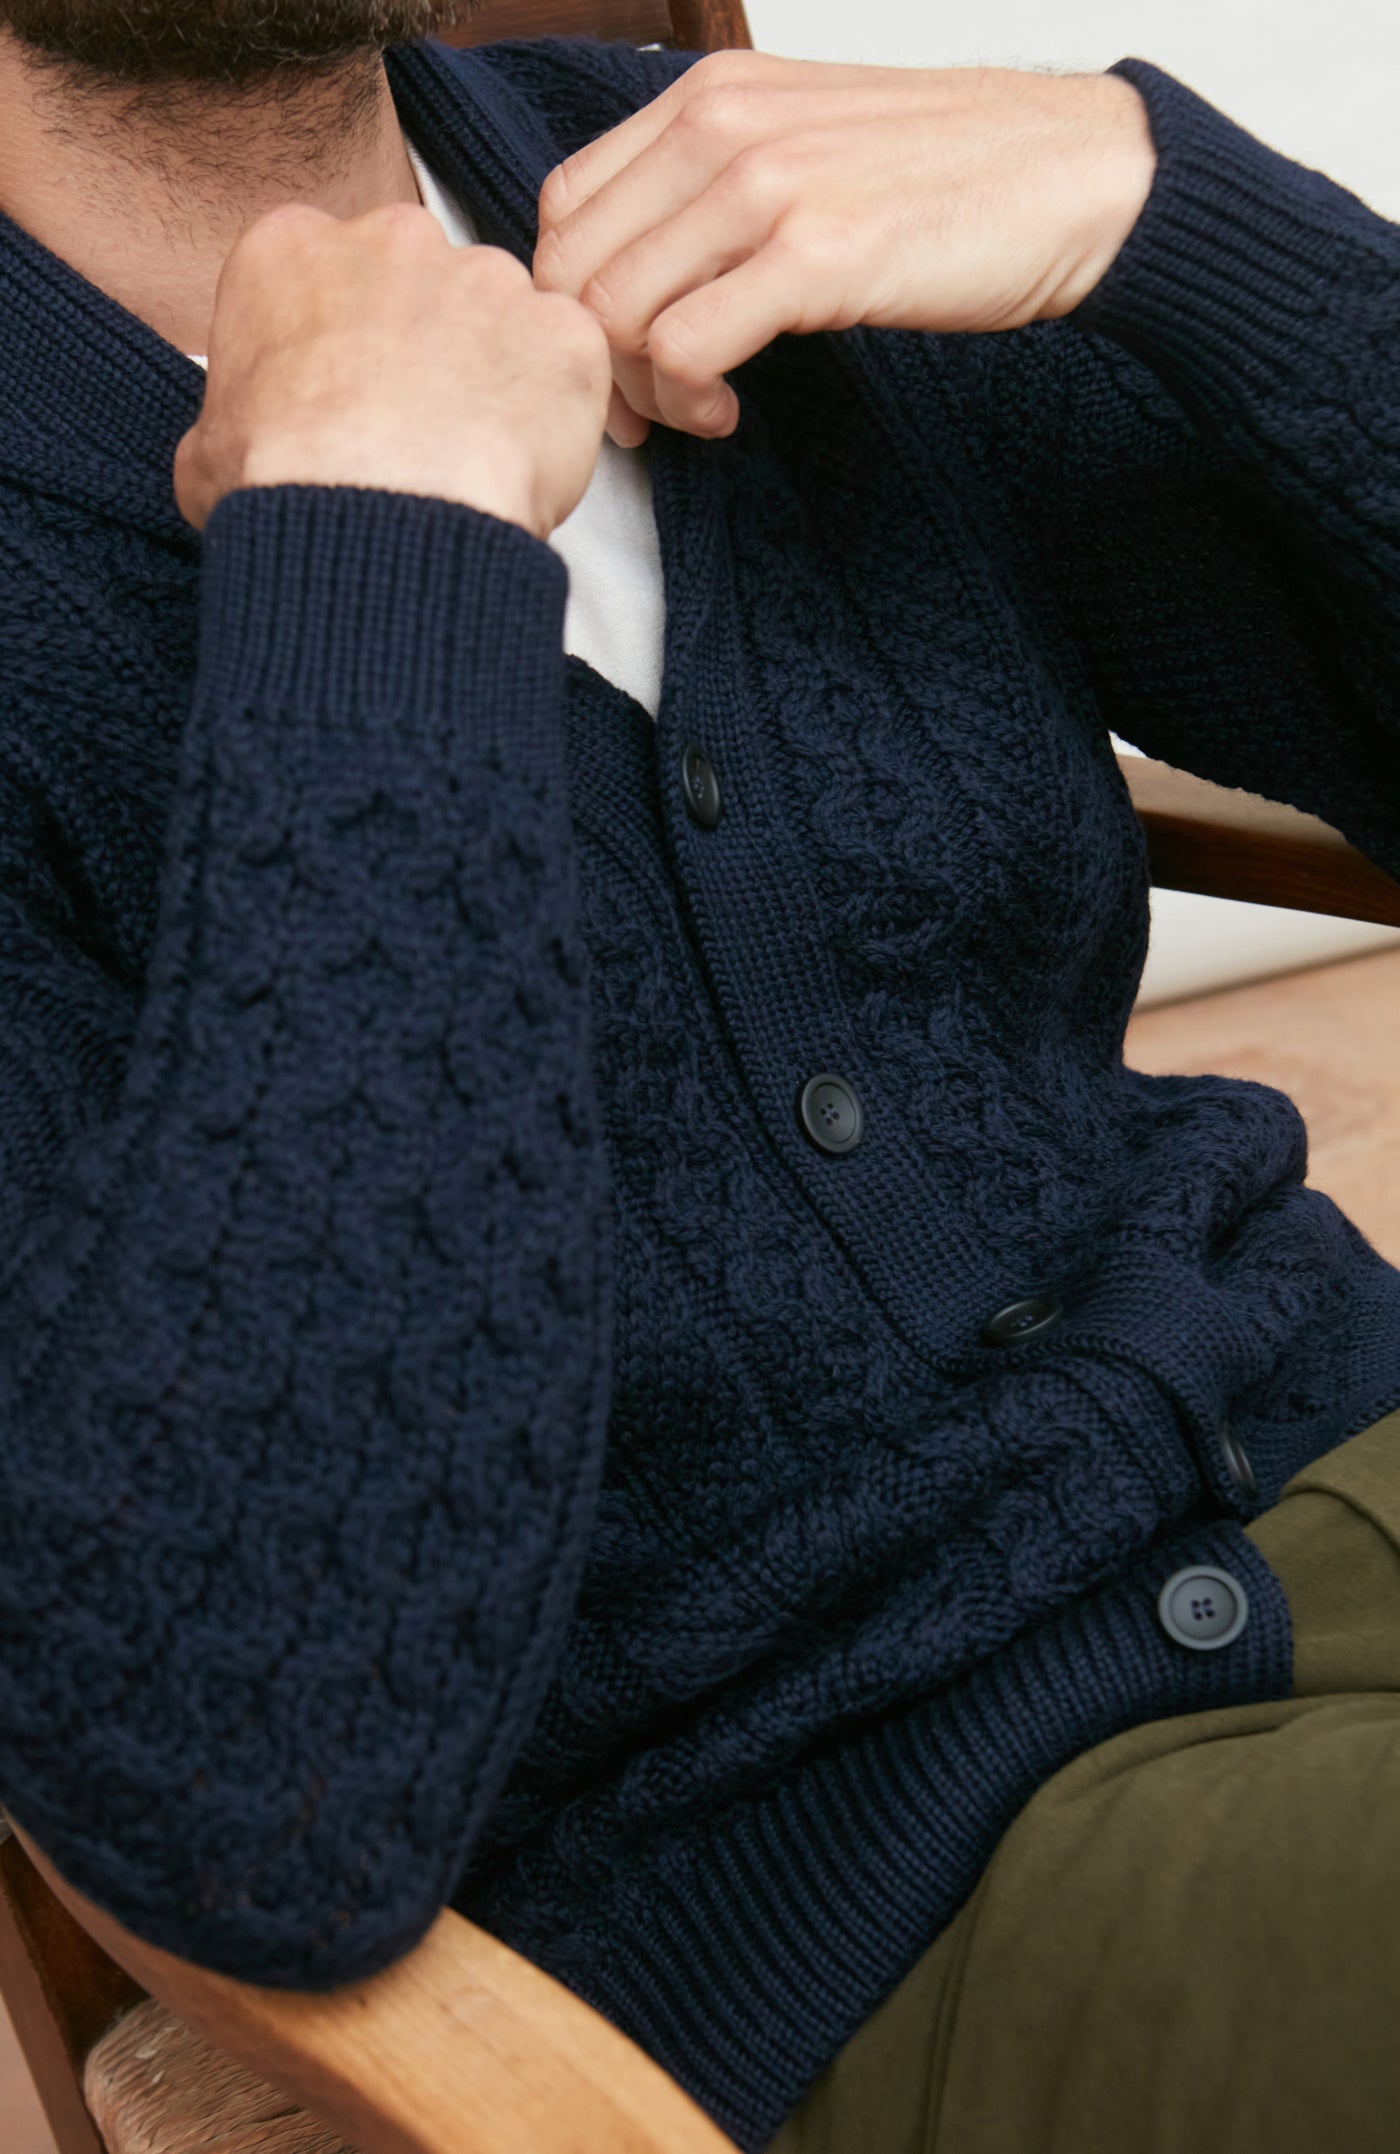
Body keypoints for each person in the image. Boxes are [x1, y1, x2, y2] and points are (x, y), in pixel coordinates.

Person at [1, 5, 1400, 2149]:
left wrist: (1167, 210)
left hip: (1328, 1448)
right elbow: (260, 1786)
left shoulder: (709, 169)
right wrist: (382, 553)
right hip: (856, 1879)